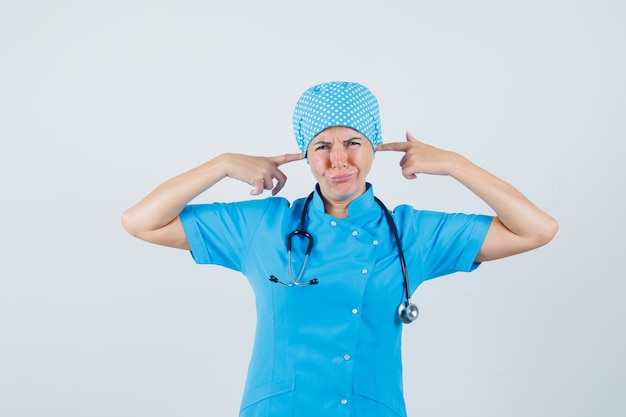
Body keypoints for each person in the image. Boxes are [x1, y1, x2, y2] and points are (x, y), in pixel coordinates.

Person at [121, 81, 558, 417]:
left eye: (353, 143)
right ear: (306, 155)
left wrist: (456, 165)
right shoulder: (264, 226)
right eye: (322, 146)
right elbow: (140, 221)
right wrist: (221, 164)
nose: (339, 161)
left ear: (373, 149)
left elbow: (536, 230)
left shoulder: (410, 233)